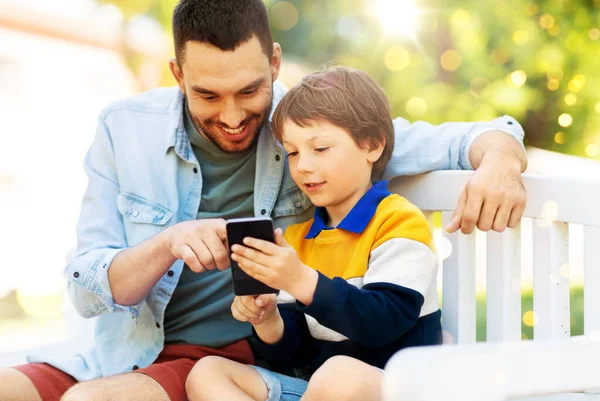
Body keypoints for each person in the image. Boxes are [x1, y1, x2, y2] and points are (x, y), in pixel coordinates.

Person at [0, 0, 527, 400]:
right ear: (178, 74)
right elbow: (89, 289)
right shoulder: (123, 129)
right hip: (119, 349)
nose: (231, 115)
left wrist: (502, 161)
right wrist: (168, 243)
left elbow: (462, 138)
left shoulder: (309, 130)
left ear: (275, 64)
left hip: (227, 358)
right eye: (208, 95)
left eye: (249, 92)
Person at [185, 65, 441, 401]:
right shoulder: (298, 239)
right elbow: (297, 356)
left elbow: (381, 322)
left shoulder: (398, 222)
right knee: (207, 373)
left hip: (397, 389)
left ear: (372, 145)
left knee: (339, 373)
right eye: (292, 152)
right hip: (320, 390)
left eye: (319, 148)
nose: (302, 165)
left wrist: (301, 280)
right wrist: (268, 319)